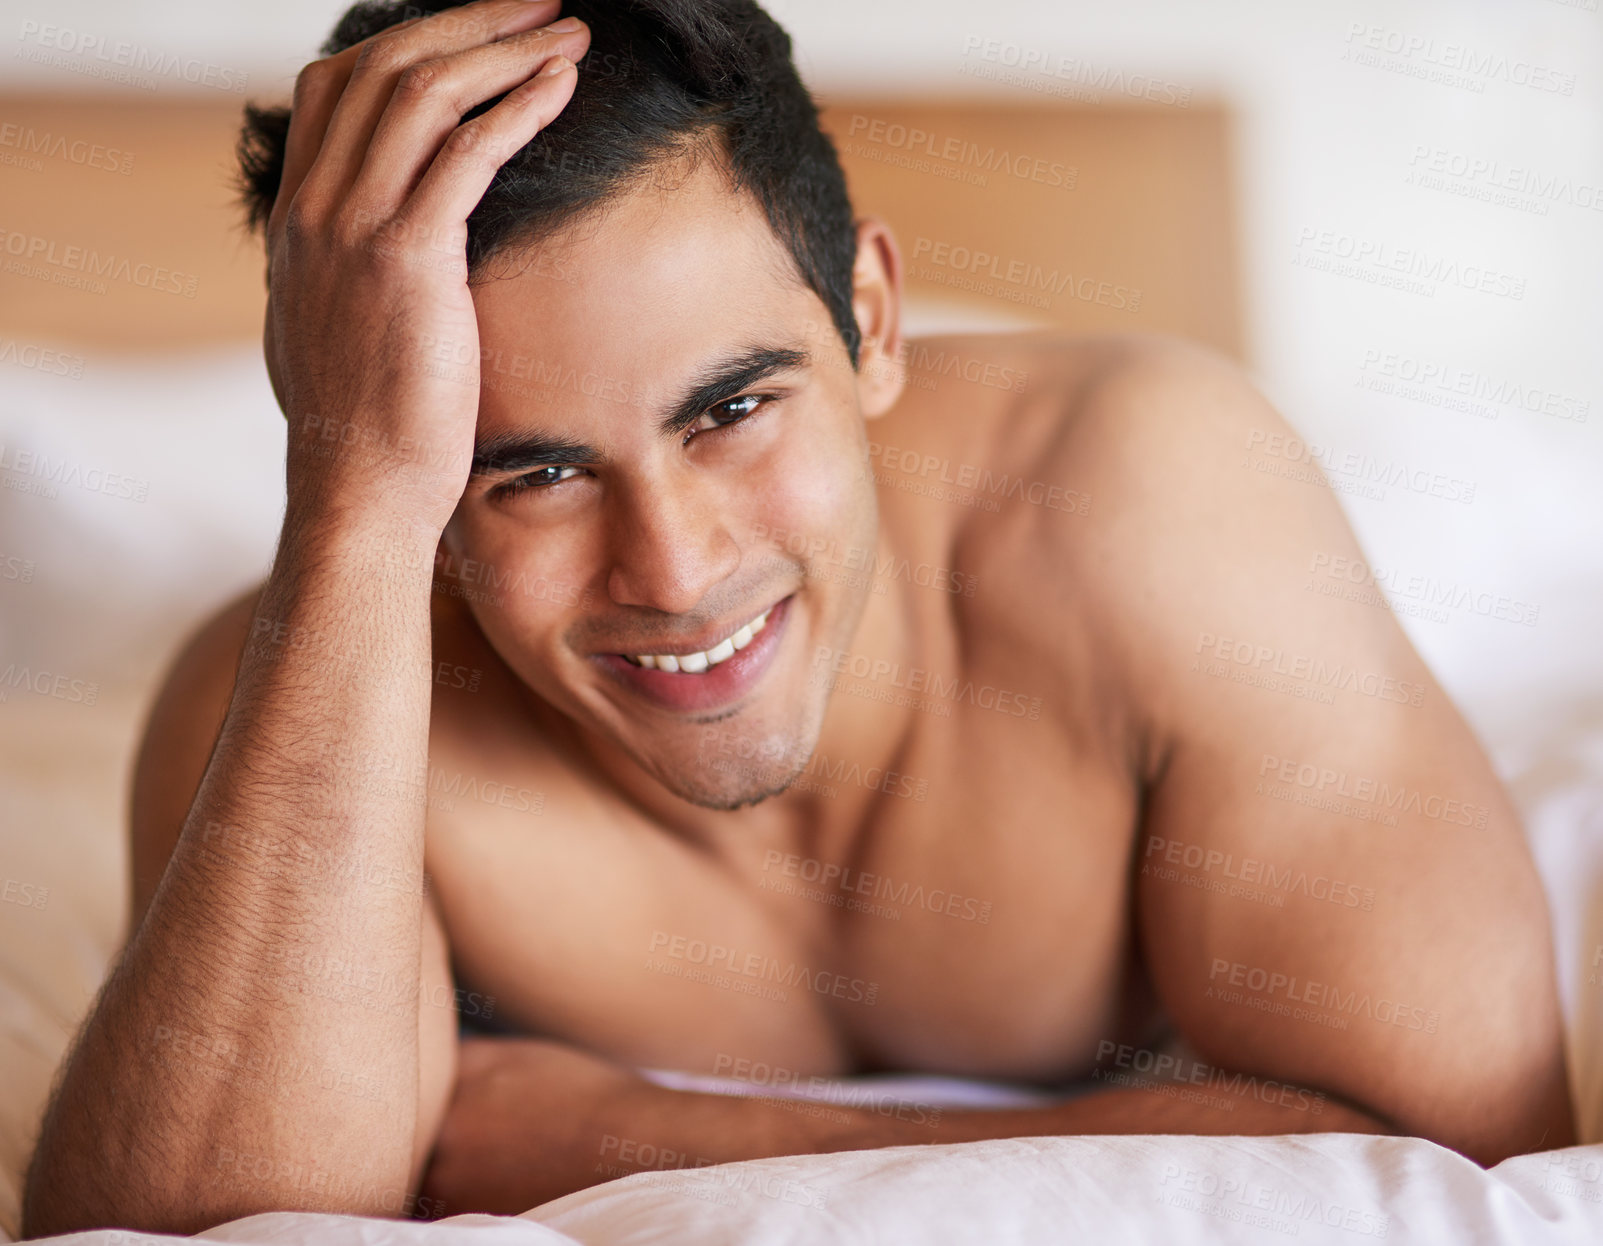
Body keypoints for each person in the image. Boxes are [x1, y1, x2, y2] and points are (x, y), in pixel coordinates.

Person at [22, 0, 1573, 1231]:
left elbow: (1458, 1153)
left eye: (733, 408)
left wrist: (656, 1138)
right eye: (534, 471)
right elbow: (174, 1232)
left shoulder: (1155, 502)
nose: (676, 571)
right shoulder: (306, 682)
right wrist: (357, 504)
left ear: (874, 322)